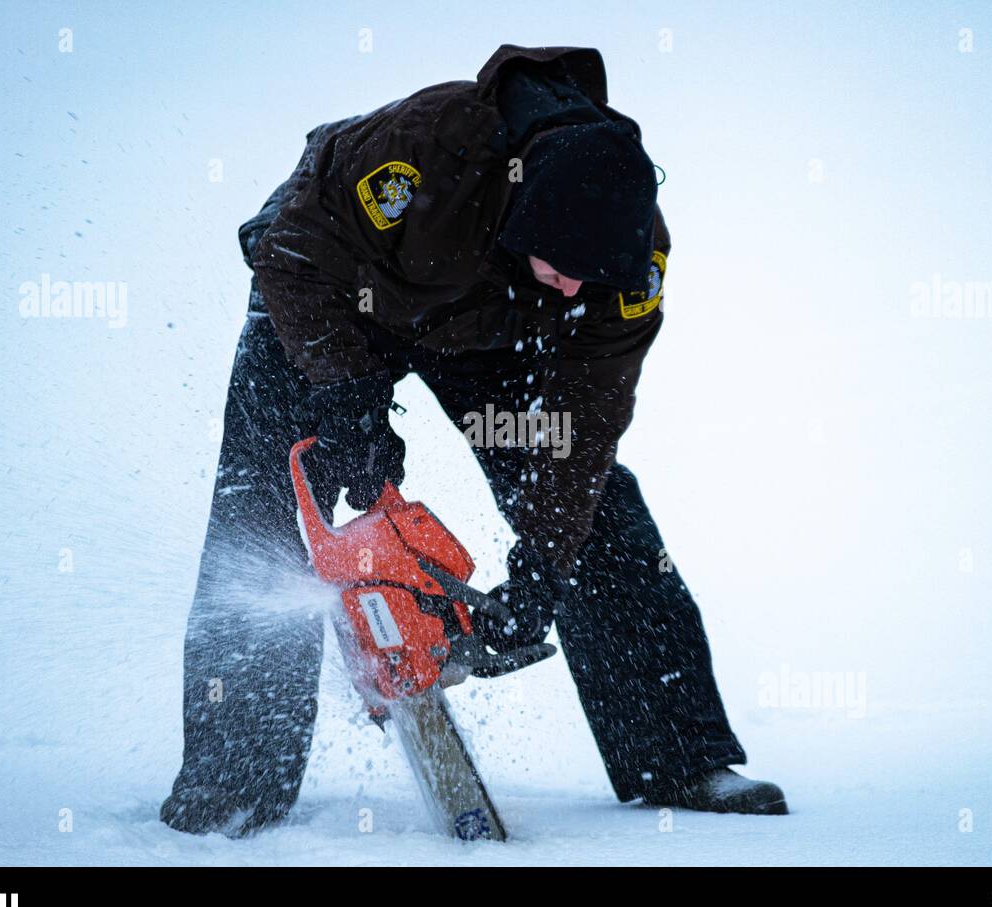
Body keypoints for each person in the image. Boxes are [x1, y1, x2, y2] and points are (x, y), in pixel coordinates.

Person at [161, 44, 787, 836]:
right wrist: (347, 398)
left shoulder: (624, 269)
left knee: (594, 509)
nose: (576, 287)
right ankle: (231, 785)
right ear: (527, 216)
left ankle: (679, 758)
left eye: (591, 279)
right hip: (327, 300)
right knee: (263, 506)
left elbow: (583, 428)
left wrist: (544, 568)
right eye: (564, 267)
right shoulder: (426, 149)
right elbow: (292, 255)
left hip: (489, 332)